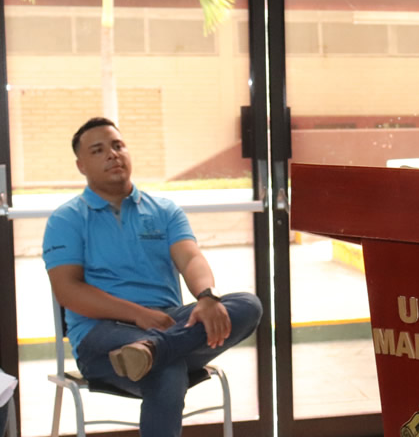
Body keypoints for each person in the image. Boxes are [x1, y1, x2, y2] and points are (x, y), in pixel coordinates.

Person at [43, 117, 262, 437]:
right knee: (169, 369)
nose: (113, 155)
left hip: (167, 322)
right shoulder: (66, 219)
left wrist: (206, 297)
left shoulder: (164, 210)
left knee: (247, 304)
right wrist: (139, 315)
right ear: (81, 165)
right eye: (98, 150)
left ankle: (154, 350)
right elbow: (68, 291)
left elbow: (191, 259)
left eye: (118, 145)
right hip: (100, 334)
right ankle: (159, 351)